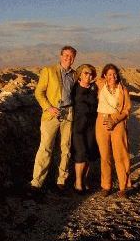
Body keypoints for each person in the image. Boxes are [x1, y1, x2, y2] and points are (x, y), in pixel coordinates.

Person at [29, 45, 77, 196]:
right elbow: (39, 92)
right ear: (60, 56)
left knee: (66, 148)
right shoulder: (49, 71)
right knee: (45, 148)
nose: (68, 58)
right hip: (51, 114)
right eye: (66, 55)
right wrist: (48, 107)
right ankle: (36, 182)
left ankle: (61, 180)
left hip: (68, 112)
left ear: (74, 58)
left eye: (71, 56)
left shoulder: (74, 75)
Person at [95, 63, 132, 199]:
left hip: (118, 122)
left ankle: (123, 187)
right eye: (109, 74)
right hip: (101, 121)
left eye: (115, 74)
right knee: (105, 156)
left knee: (121, 155)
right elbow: (87, 75)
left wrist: (115, 120)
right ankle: (106, 185)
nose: (112, 76)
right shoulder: (100, 85)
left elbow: (127, 109)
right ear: (104, 75)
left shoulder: (123, 90)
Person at [70, 64, 99, 194]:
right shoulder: (74, 88)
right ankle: (78, 182)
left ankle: (84, 180)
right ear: (80, 74)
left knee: (90, 154)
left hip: (92, 126)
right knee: (80, 153)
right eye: (86, 73)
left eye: (91, 74)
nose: (89, 76)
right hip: (78, 126)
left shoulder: (94, 88)